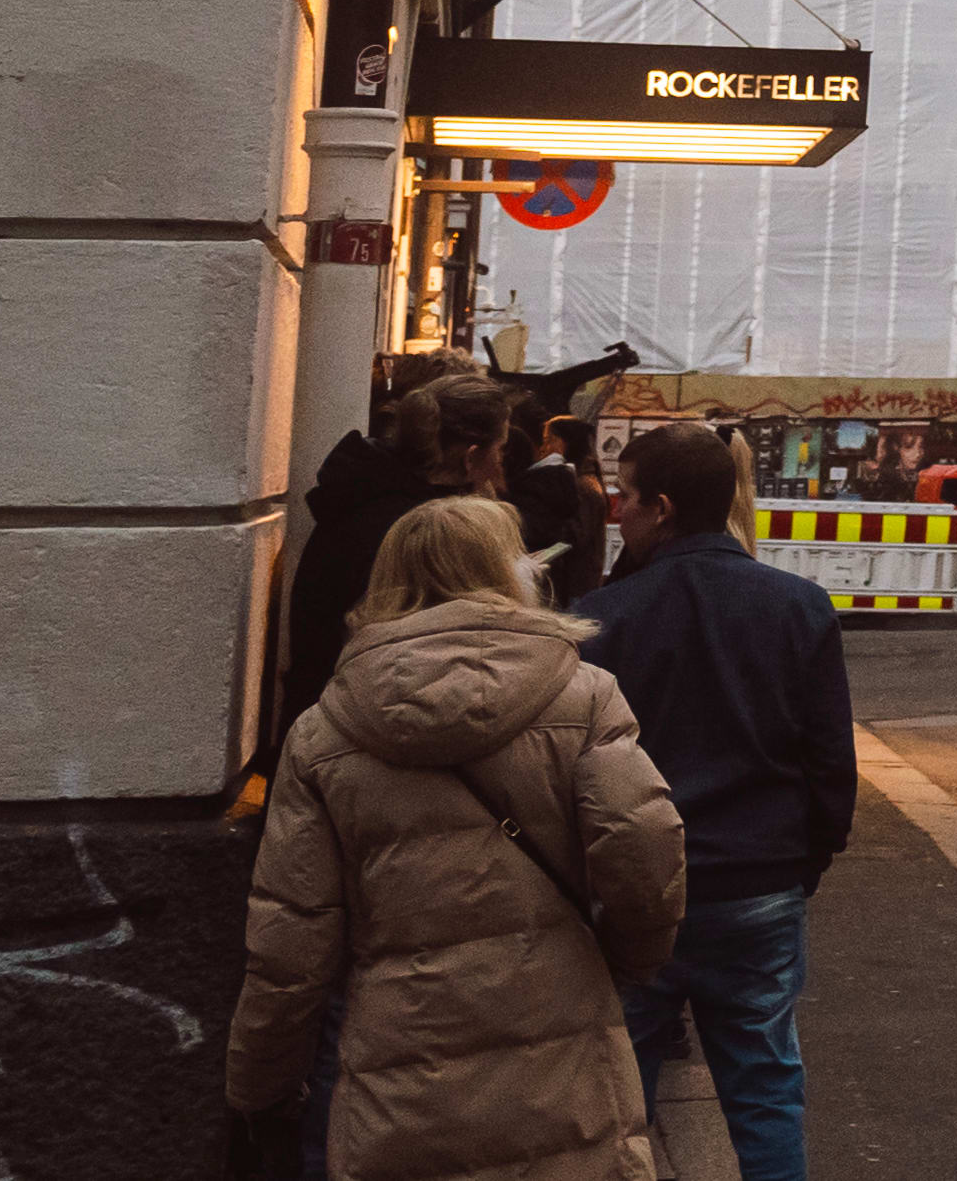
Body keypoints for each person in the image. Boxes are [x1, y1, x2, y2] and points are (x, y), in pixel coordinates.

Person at [224, 497, 686, 1181]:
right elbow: (644, 855)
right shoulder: (584, 696)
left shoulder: (324, 733)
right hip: (559, 1045)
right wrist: (628, 960)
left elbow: (290, 946)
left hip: (402, 1064)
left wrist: (255, 1087)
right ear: (507, 572)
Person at [581, 422, 854, 1181]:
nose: (616, 512)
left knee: (620, 1096)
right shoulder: (799, 606)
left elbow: (581, 765)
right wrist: (805, 863)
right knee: (765, 1087)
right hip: (760, 882)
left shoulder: (604, 619)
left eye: (624, 495)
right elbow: (831, 761)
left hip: (639, 886)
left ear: (661, 507)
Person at [279, 374, 511, 740]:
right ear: (470, 459)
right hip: (361, 739)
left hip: (318, 725)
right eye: (501, 451)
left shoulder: (362, 494)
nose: (501, 469)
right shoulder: (426, 531)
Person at [508, 397, 609, 608]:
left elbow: (574, 536)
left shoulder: (584, 486)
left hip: (576, 584)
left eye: (551, 439)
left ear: (566, 442)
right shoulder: (578, 480)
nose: (545, 446)